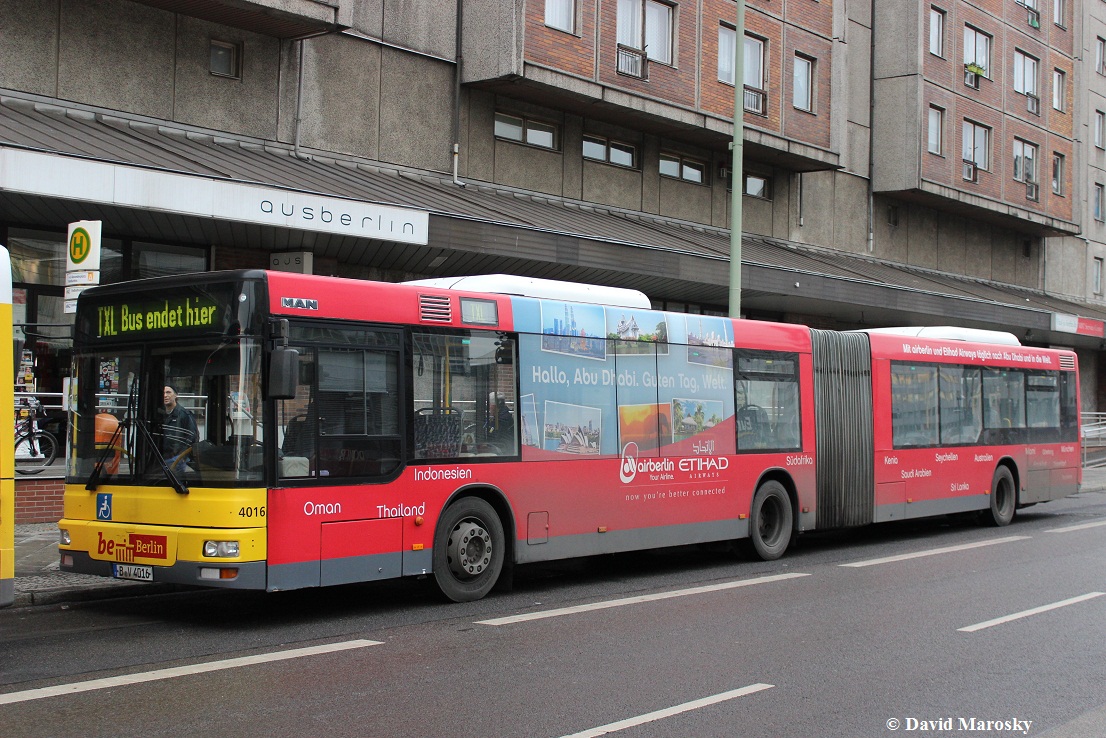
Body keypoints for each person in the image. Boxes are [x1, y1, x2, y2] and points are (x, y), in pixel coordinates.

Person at [161, 384, 198, 464]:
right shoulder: (160, 415)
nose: (165, 395)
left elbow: (192, 437)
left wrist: (182, 457)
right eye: (163, 393)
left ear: (175, 395)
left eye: (168, 392)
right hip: (162, 457)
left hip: (177, 459)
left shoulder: (184, 415)